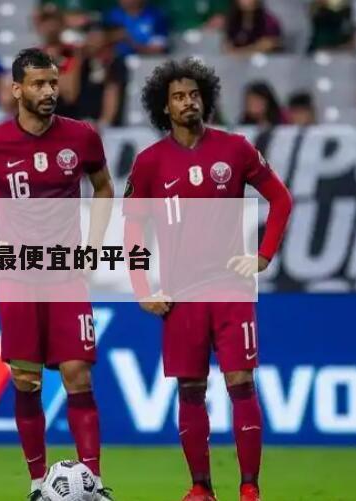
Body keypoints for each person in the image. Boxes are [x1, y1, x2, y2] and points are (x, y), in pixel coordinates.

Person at [0, 48, 115, 501]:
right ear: (17, 89)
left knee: (78, 374)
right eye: (39, 84)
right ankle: (39, 483)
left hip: (65, 274)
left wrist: (94, 245)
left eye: (53, 83)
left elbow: (103, 188)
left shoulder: (82, 137)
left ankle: (93, 483)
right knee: (27, 380)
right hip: (17, 278)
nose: (49, 91)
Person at [125, 57, 292, 501]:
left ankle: (250, 488)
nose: (188, 102)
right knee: (191, 390)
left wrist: (262, 256)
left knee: (241, 383)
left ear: (206, 99)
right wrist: (142, 290)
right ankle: (201, 487)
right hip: (180, 294)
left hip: (231, 289)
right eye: (178, 97)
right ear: (165, 107)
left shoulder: (235, 149)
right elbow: (133, 232)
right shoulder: (149, 163)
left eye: (194, 95)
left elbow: (281, 200)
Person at [57, 21, 126, 125]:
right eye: (90, 36)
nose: (93, 41)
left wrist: (103, 123)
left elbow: (111, 94)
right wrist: (77, 60)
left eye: (96, 36)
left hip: (100, 124)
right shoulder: (79, 61)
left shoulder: (113, 62)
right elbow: (70, 96)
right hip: (77, 121)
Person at [104, 0, 169, 57]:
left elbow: (159, 49)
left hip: (147, 62)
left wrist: (131, 43)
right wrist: (112, 38)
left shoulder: (156, 16)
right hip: (117, 62)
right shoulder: (113, 15)